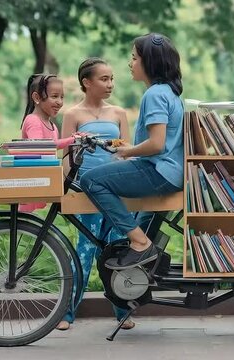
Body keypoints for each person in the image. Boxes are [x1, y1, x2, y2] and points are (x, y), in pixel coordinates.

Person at [79, 33, 184, 270]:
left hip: (159, 172)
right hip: (170, 171)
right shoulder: (170, 92)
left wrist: (127, 153)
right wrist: (131, 149)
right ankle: (140, 253)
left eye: (134, 58)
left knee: (91, 180)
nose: (130, 63)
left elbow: (157, 144)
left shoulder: (155, 94)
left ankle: (140, 243)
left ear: (149, 62)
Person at [57, 58, 132, 331]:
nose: (110, 84)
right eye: (104, 79)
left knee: (117, 249)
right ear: (86, 83)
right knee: (85, 250)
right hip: (84, 189)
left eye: (112, 78)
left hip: (115, 190)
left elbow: (125, 151)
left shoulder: (119, 113)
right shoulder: (72, 115)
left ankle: (122, 310)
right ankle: (66, 313)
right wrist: (66, 190)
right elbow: (66, 155)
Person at [19, 74, 76, 213]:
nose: (60, 102)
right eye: (55, 96)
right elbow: (40, 146)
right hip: (33, 183)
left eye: (62, 97)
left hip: (43, 181)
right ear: (37, 98)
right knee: (29, 227)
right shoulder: (33, 121)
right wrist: (72, 139)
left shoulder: (52, 125)